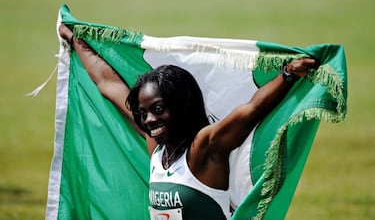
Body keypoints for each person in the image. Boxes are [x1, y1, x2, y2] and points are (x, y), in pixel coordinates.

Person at [59, 24, 317, 220]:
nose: (149, 119)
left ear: (181, 106)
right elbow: (108, 83)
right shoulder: (157, 151)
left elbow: (251, 110)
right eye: (144, 111)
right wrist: (74, 38)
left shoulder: (204, 148)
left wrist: (287, 75)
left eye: (158, 109)